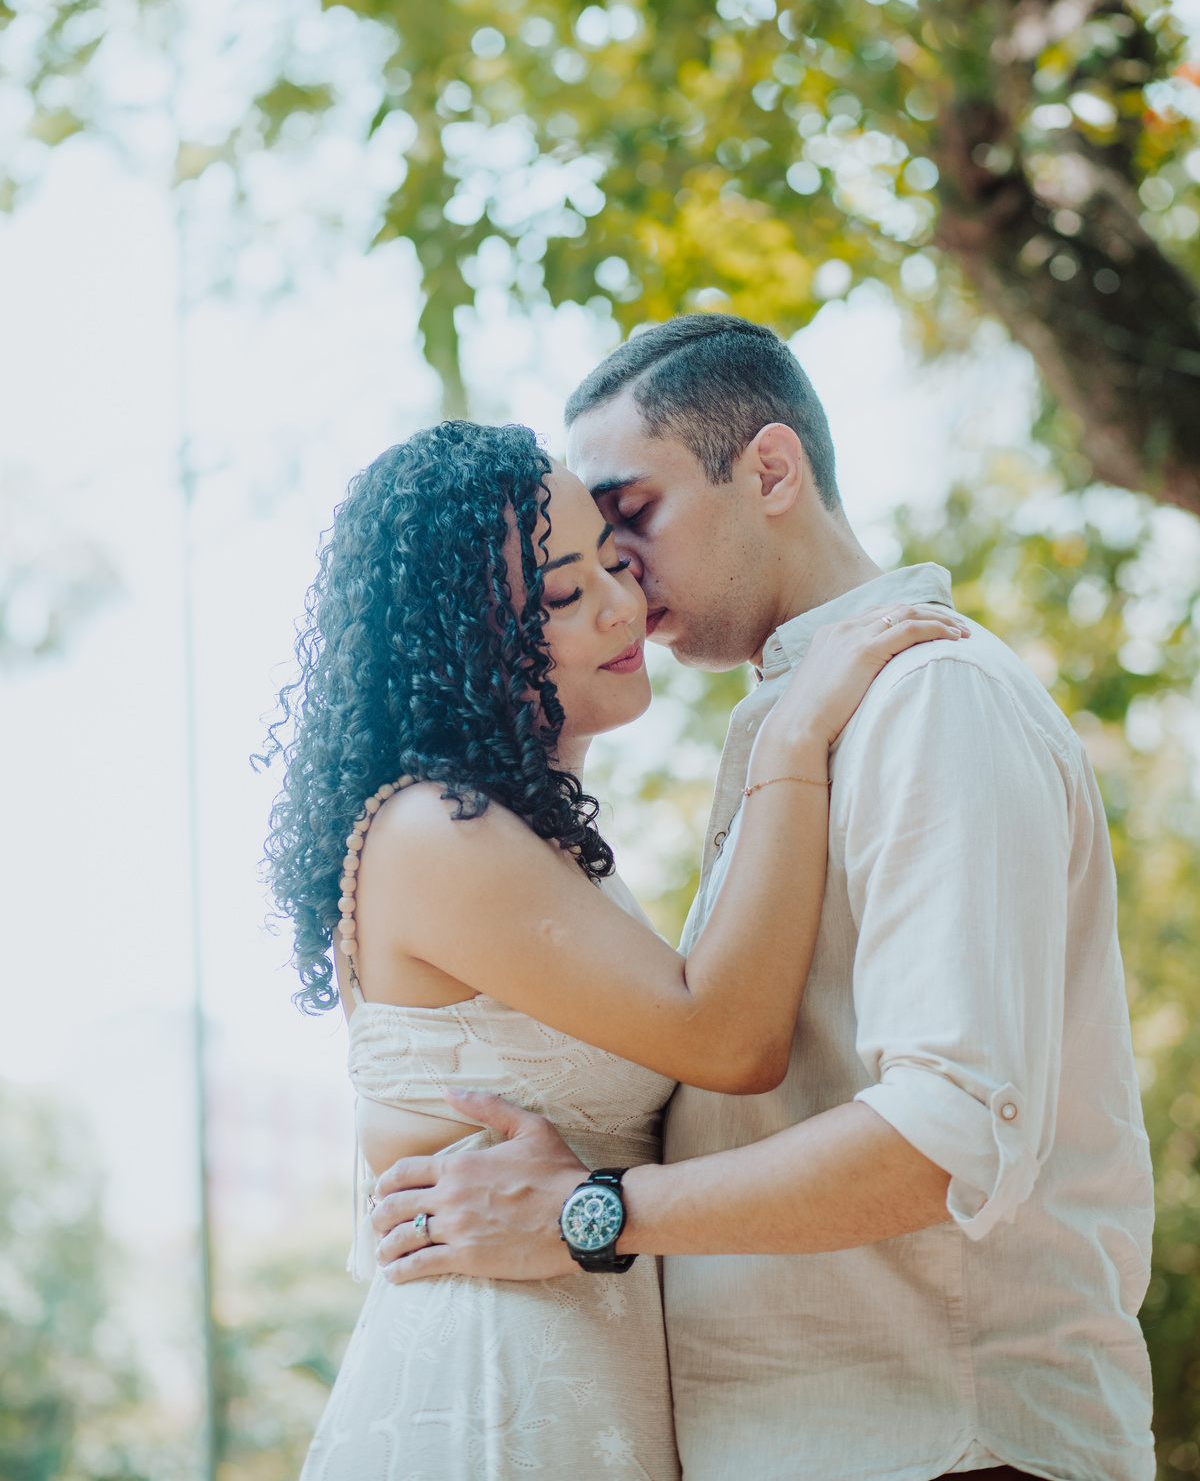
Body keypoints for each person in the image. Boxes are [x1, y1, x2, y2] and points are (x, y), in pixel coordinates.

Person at [369, 316, 1156, 1481]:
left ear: (771, 471)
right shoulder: (802, 728)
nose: (620, 572)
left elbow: (945, 1135)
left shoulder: (930, 701)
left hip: (942, 1443)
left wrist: (591, 1210)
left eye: (631, 516)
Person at [263, 416, 964, 1481]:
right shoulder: (428, 831)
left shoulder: (531, 844)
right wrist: (792, 738)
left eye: (612, 559)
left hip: (589, 1386)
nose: (620, 605)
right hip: (491, 1398)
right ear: (458, 640)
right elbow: (725, 1037)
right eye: (559, 593)